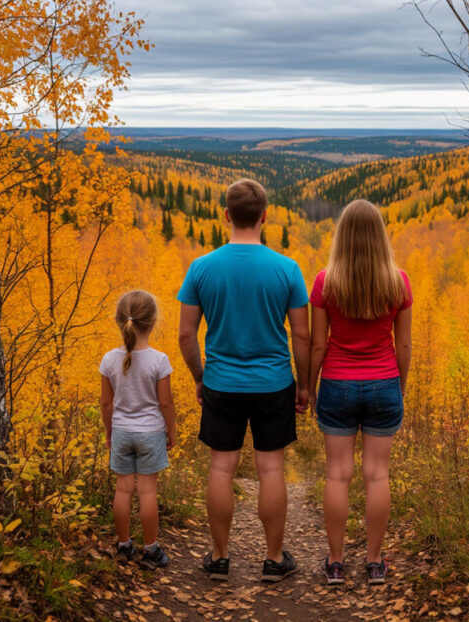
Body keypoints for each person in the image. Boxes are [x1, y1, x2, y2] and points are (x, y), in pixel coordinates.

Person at [177, 178, 311, 582]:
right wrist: (304, 386)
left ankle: (219, 558)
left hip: (221, 382)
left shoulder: (201, 268)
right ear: (265, 216)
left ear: (225, 216)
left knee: (221, 469)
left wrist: (201, 378)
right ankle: (273, 560)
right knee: (271, 469)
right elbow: (302, 335)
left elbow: (186, 335)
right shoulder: (287, 269)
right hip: (273, 383)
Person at [308, 199, 412, 586]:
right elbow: (404, 347)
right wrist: (398, 388)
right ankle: (373, 562)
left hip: (337, 384)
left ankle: (335, 563)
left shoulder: (325, 281)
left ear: (342, 237)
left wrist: (311, 386)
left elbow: (318, 345)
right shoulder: (398, 281)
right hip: (384, 382)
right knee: (376, 475)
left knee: (337, 476)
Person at [99, 290, 177, 569]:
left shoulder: (109, 360)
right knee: (147, 493)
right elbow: (165, 403)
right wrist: (172, 431)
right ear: (153, 322)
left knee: (122, 491)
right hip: (150, 433)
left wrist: (109, 433)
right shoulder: (159, 360)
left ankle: (123, 546)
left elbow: (106, 403)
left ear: (120, 322)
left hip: (121, 431)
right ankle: (151, 549)